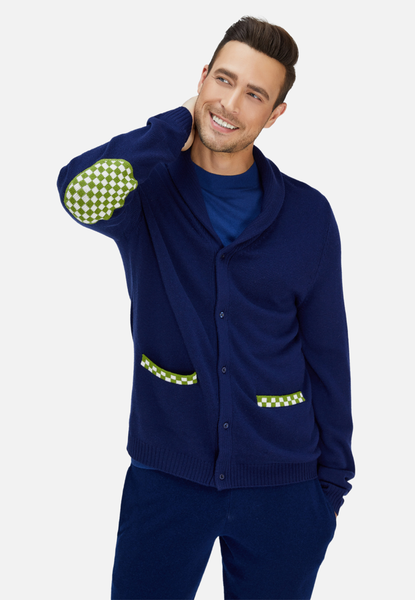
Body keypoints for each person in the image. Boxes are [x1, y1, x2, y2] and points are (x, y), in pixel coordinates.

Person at [57, 16, 354, 600]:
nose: (231, 104)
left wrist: (329, 492)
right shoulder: (147, 195)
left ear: (275, 115)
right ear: (202, 78)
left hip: (285, 486)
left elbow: (328, 357)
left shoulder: (308, 215)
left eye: (255, 95)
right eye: (224, 80)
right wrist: (174, 125)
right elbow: (77, 192)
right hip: (166, 476)